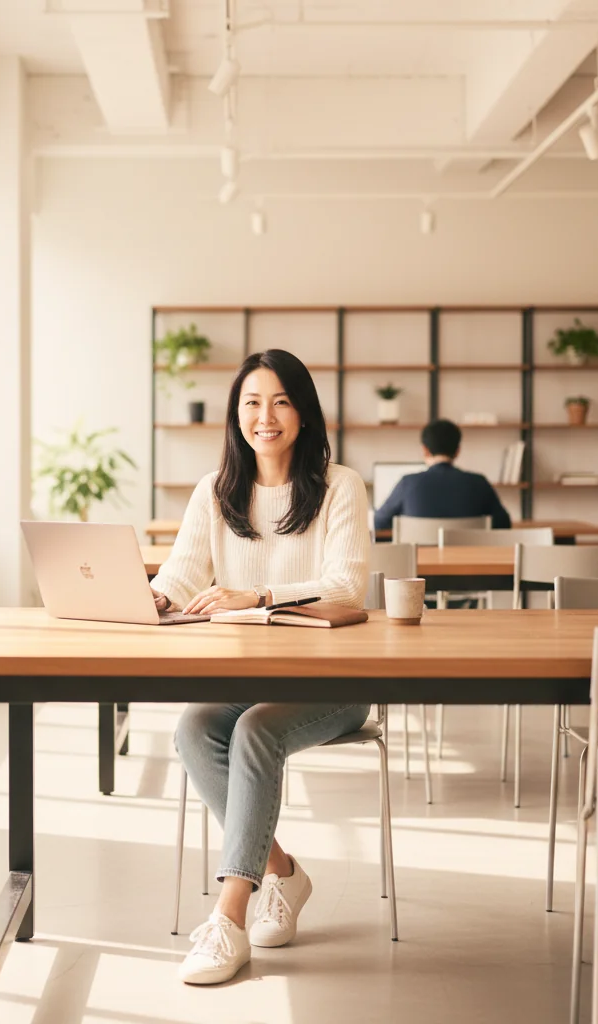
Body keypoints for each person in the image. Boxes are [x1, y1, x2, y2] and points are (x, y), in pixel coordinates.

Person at [150, 348, 370, 986]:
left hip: (336, 684)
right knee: (195, 729)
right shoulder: (216, 492)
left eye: (279, 401)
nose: (264, 416)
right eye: (251, 402)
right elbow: (181, 574)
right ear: (236, 414)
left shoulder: (341, 487)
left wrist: (260, 596)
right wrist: (156, 596)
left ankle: (228, 917)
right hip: (249, 683)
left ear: (303, 413)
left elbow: (347, 587)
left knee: (254, 731)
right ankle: (282, 872)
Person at [371, 418, 511, 533]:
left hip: (419, 565)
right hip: (470, 564)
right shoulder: (479, 482)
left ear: (425, 450)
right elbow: (504, 524)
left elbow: (379, 522)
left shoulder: (408, 483)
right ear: (458, 451)